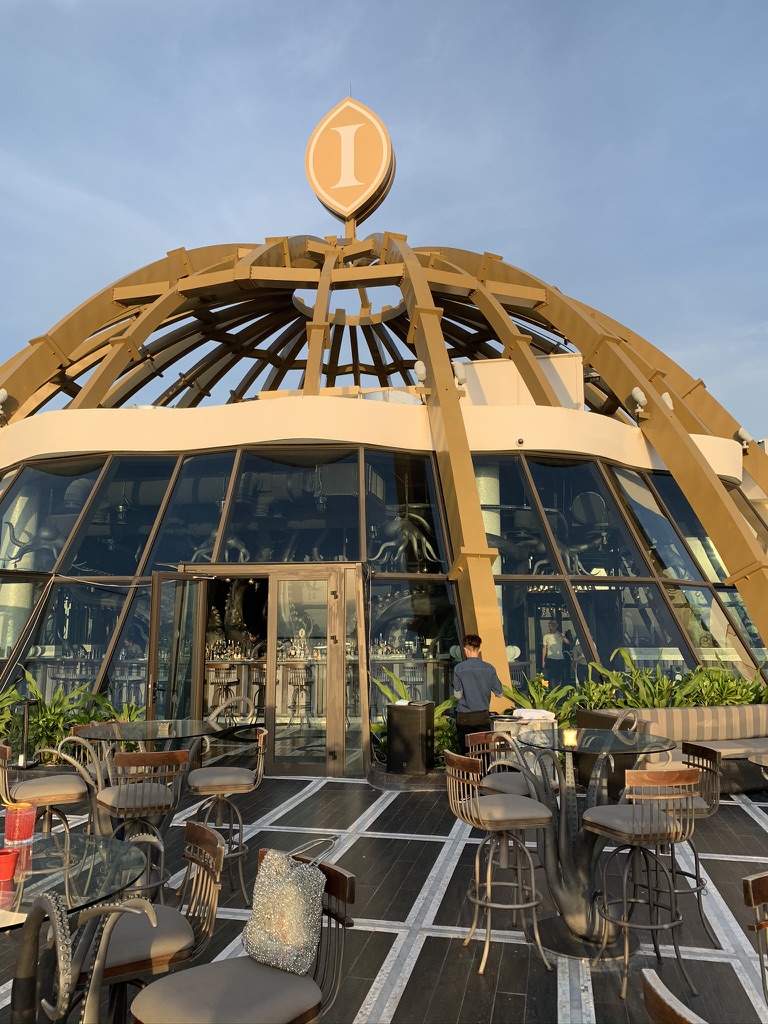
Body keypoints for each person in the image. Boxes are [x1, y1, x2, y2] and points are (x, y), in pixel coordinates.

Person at [453, 633, 503, 754]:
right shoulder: (489, 668)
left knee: (465, 752)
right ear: (480, 648)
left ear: (465, 649)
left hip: (464, 717)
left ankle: (468, 766)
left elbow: (457, 695)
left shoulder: (458, 668)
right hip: (482, 716)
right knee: (484, 751)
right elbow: (499, 693)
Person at [541, 618, 570, 686]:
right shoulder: (546, 636)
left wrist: (562, 636)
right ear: (549, 626)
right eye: (551, 625)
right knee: (552, 676)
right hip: (550, 658)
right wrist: (543, 660)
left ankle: (558, 689)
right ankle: (553, 690)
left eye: (554, 625)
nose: (553, 627)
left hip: (560, 658)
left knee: (559, 676)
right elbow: (544, 648)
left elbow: (568, 642)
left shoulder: (560, 634)